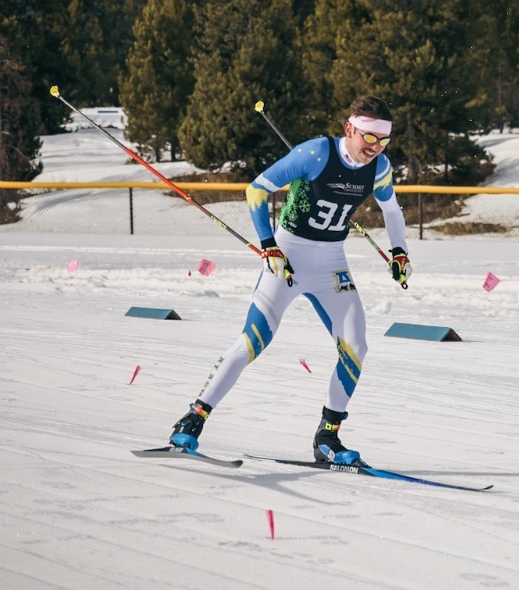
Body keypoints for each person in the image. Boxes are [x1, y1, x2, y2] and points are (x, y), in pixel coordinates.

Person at [166, 95, 412, 465]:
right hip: (289, 257)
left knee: (356, 346)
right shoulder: (315, 153)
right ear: (349, 128)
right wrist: (268, 245)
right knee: (253, 341)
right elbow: (256, 190)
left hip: (332, 263)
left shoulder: (379, 168)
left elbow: (392, 210)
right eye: (369, 138)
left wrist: (400, 252)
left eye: (383, 140)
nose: (375, 148)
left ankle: (327, 438)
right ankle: (193, 418)